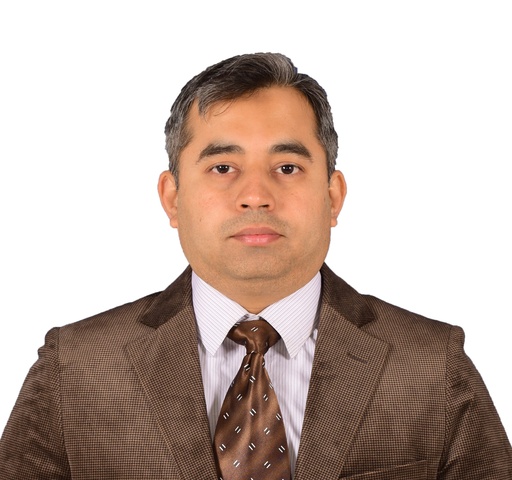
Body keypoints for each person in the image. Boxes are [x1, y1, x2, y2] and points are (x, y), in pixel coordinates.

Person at [0, 52, 510, 479]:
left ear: (333, 196)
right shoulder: (76, 369)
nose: (256, 195)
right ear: (173, 197)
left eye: (287, 167)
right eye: (223, 167)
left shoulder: (431, 366)